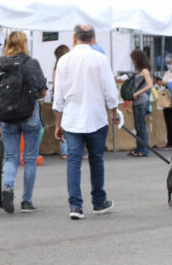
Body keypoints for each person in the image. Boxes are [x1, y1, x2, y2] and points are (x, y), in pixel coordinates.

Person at [0, 30, 47, 214]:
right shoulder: (31, 63)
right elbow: (43, 92)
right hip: (29, 115)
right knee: (29, 159)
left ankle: (7, 188)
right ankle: (27, 201)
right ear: (24, 44)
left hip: (6, 116)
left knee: (12, 158)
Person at [53, 24, 119, 220]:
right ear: (92, 38)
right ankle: (98, 201)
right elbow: (110, 91)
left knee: (73, 162)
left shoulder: (64, 61)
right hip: (96, 117)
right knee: (96, 160)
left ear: (74, 38)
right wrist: (114, 111)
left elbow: (59, 96)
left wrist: (58, 123)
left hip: (72, 119)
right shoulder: (101, 59)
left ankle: (75, 205)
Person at [127, 48, 153, 157]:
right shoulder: (141, 71)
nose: (132, 61)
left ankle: (143, 149)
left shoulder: (144, 71)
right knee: (138, 126)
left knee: (141, 126)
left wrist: (137, 93)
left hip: (141, 100)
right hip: (137, 101)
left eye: (133, 59)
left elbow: (150, 85)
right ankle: (139, 148)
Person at [50, 44, 71, 158]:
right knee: (68, 125)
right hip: (66, 98)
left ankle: (65, 151)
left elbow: (55, 86)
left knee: (62, 125)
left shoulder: (56, 68)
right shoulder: (68, 68)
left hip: (58, 98)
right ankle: (66, 151)